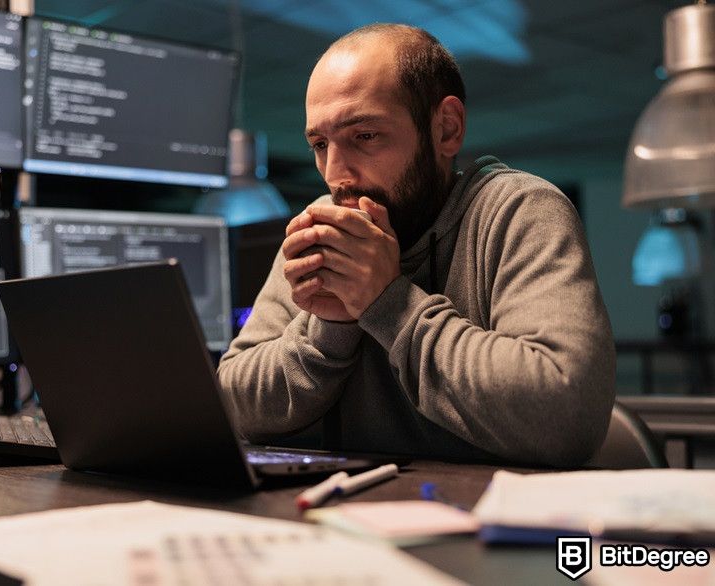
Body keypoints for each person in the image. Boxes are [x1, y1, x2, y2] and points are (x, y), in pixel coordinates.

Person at [217, 23, 616, 467]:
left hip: (482, 526)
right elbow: (231, 405)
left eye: (364, 136)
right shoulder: (322, 229)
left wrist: (388, 302)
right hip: (340, 521)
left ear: (446, 129)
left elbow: (566, 415)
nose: (335, 175)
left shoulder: (519, 211)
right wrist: (330, 331)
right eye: (319, 143)